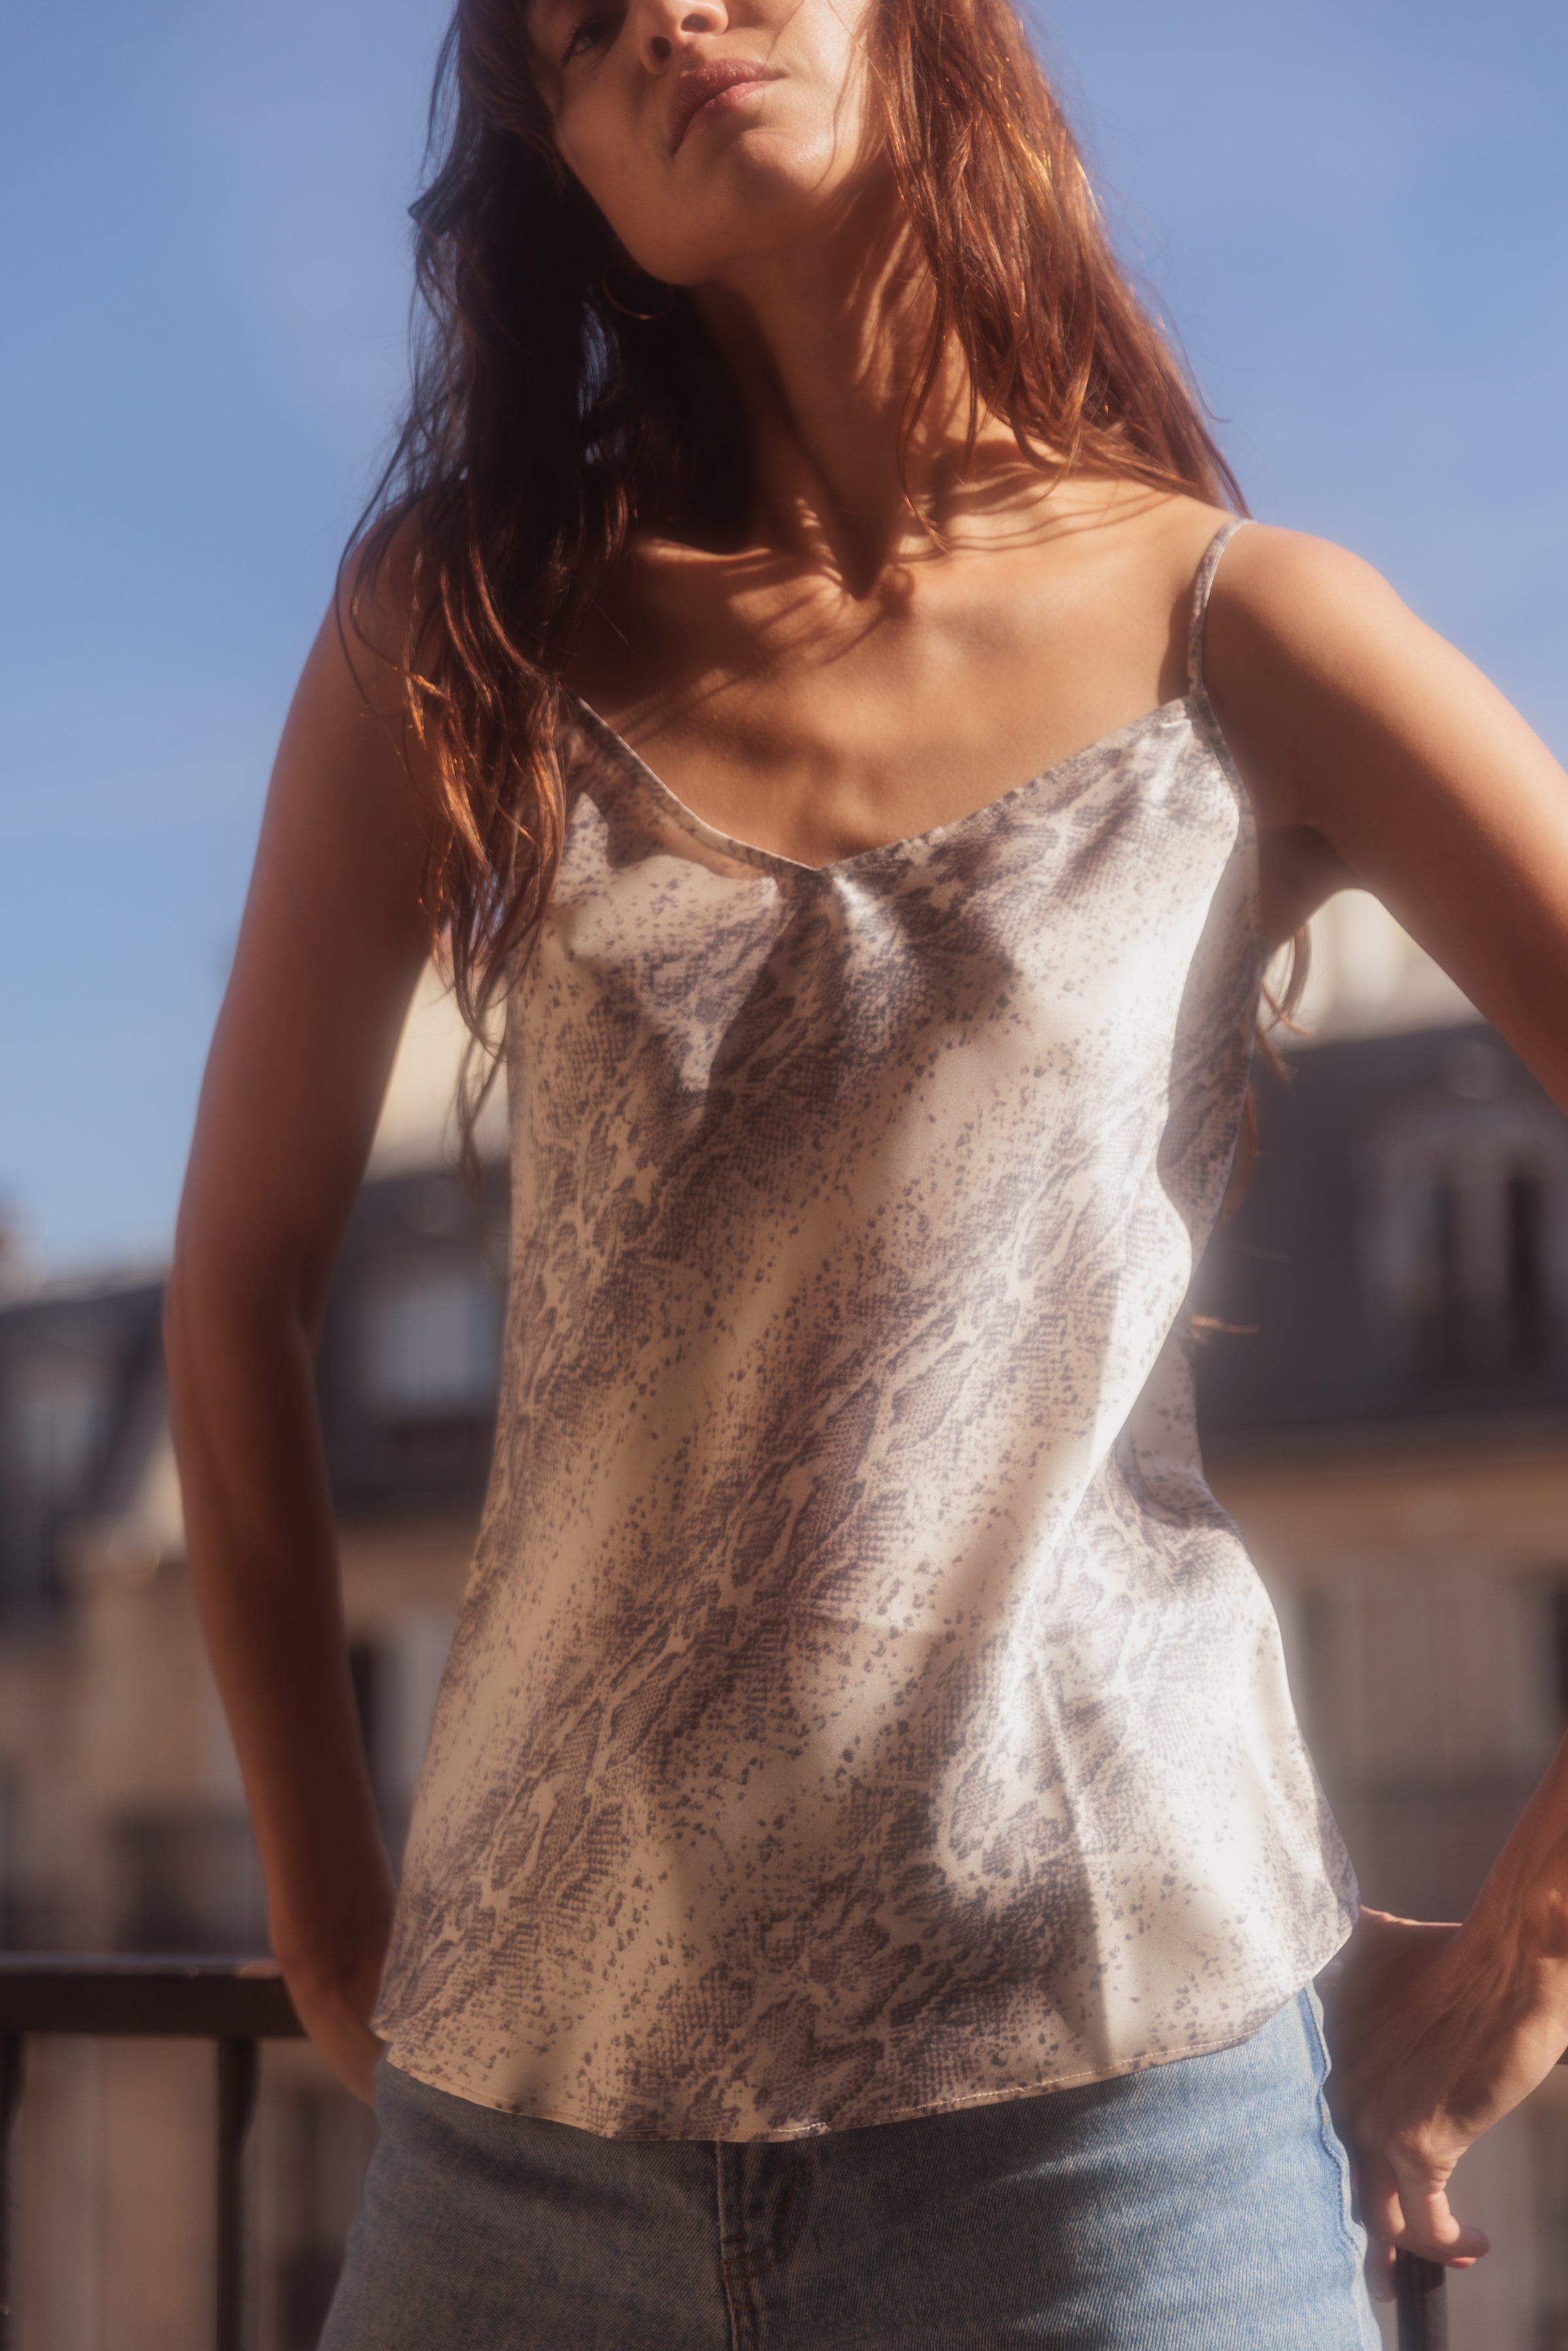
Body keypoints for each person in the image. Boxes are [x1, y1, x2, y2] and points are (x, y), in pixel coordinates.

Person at [161, 0, 1568, 2341]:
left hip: (1112, 2150)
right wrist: (332, 1928)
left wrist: (1531, 1946)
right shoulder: (468, 622)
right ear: (569, 170)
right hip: (516, 2171)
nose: (669, 25)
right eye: (583, 33)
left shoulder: (1246, 631)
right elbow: (238, 1278)